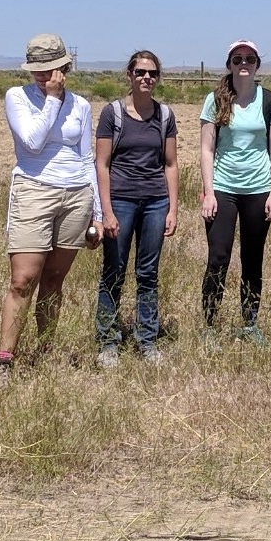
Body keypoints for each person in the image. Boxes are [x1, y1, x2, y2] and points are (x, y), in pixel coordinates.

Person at [0, 33, 101, 375]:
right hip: (34, 189)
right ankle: (6, 358)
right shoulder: (18, 97)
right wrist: (53, 100)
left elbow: (87, 159)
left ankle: (46, 349)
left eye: (51, 70)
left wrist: (97, 212)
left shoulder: (82, 106)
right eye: (38, 71)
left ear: (65, 67)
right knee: (23, 279)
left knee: (55, 278)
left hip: (75, 195)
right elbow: (32, 142)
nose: (44, 77)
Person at [93, 49, 180, 367]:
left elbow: (170, 164)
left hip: (155, 202)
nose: (146, 78)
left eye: (152, 73)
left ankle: (147, 340)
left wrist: (172, 208)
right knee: (113, 272)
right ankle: (107, 342)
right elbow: (101, 165)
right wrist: (106, 212)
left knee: (148, 274)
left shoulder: (165, 116)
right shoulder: (112, 114)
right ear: (129, 75)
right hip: (121, 201)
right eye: (141, 72)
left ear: (158, 78)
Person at [199, 39, 271, 343]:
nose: (244, 63)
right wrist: (208, 192)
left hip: (258, 189)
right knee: (218, 257)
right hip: (223, 188)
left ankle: (249, 324)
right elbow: (206, 149)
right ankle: (210, 326)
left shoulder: (270, 101)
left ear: (257, 64)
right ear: (229, 65)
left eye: (249, 58)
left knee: (253, 258)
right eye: (237, 59)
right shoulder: (215, 100)